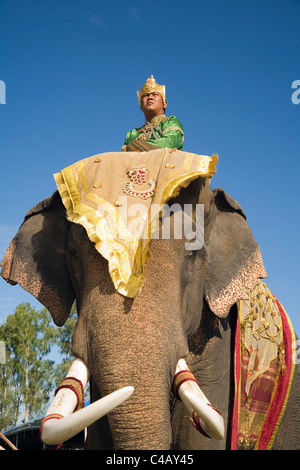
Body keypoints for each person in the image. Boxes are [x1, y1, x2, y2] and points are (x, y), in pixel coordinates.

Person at [121, 75, 184, 152]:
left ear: (165, 103)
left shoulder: (170, 122)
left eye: (155, 94)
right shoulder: (132, 134)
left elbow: (170, 142)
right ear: (140, 106)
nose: (150, 97)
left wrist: (136, 146)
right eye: (146, 95)